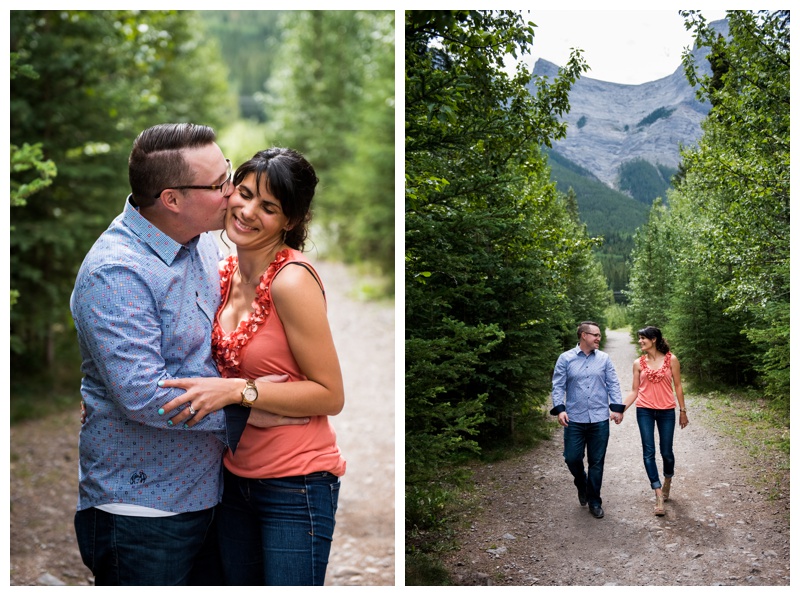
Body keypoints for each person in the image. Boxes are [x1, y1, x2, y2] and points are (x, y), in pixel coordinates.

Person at [70, 123, 302, 586]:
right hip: (142, 508)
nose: (233, 191)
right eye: (219, 184)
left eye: (229, 172)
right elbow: (143, 396)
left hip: (206, 491)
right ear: (172, 199)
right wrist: (249, 409)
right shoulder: (116, 272)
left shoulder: (196, 244)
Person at [158, 147, 346, 586]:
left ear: (291, 221)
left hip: (296, 483)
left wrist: (238, 391)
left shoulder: (292, 281)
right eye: (243, 193)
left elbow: (331, 395)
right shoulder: (219, 272)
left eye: (269, 206)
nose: (246, 211)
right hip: (230, 479)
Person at [550, 321, 625, 519]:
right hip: (574, 418)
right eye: (595, 335)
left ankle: (594, 501)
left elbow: (613, 384)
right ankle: (581, 482)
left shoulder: (604, 359)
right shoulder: (565, 359)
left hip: (599, 418)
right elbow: (558, 386)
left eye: (599, 335)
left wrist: (617, 408)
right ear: (584, 335)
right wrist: (560, 410)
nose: (599, 338)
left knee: (596, 462)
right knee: (572, 458)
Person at [622, 326, 688, 516]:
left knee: (666, 452)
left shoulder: (671, 360)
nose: (640, 341)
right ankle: (658, 493)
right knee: (648, 451)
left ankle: (668, 479)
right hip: (645, 410)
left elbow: (678, 386)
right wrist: (621, 410)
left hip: (667, 410)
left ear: (654, 339)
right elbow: (634, 391)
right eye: (639, 338)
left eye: (643, 338)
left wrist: (683, 411)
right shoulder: (638, 363)